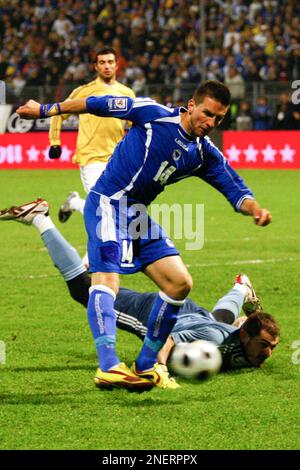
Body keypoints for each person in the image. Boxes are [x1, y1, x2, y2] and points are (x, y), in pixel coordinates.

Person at [16, 80, 272, 391]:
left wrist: (255, 208)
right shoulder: (153, 113)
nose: (211, 122)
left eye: (219, 118)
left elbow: (235, 187)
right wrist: (44, 110)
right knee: (107, 282)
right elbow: (95, 103)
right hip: (109, 202)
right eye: (207, 113)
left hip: (136, 214)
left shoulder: (204, 152)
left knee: (180, 284)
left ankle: (147, 364)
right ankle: (108, 366)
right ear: (191, 105)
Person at [0, 197, 280, 373]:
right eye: (265, 345)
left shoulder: (239, 344)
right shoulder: (215, 342)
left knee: (216, 320)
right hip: (156, 314)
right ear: (245, 337)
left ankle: (241, 287)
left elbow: (236, 324)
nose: (268, 353)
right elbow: (167, 338)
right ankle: (40, 218)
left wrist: (245, 320)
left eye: (272, 347)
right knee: (85, 292)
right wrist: (159, 368)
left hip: (196, 315)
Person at [48, 47, 135, 223]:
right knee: (102, 209)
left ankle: (73, 202)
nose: (107, 66)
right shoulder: (85, 91)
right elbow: (58, 112)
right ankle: (98, 250)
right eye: (102, 62)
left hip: (117, 159)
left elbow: (137, 126)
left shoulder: (127, 94)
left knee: (115, 209)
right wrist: (55, 142)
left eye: (110, 62)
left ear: (117, 65)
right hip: (91, 157)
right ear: (95, 66)